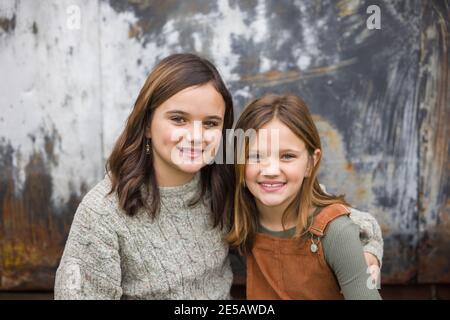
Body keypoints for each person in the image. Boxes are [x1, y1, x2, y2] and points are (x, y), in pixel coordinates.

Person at [54, 54, 382, 299]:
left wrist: (368, 247)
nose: (196, 136)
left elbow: (326, 212)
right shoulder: (104, 212)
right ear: (147, 124)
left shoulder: (228, 180)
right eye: (179, 119)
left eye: (210, 123)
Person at [226, 94, 382, 299]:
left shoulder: (336, 232)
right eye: (255, 156)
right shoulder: (236, 219)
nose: (271, 170)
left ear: (310, 162)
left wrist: (371, 249)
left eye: (287, 156)